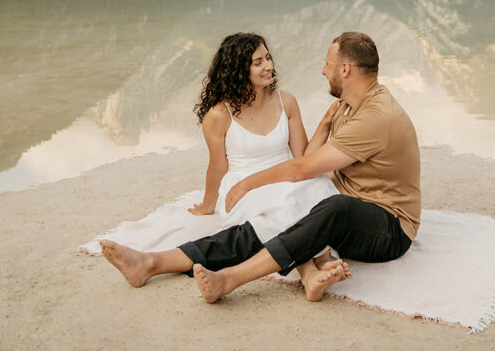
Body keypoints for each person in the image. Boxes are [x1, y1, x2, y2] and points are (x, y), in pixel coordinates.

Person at [100, 31, 421, 304]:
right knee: (294, 212)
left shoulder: (374, 116)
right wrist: (324, 123)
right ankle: (151, 262)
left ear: (346, 69)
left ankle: (230, 279)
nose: (323, 70)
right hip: (353, 210)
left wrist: (249, 183)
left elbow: (301, 167)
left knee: (327, 206)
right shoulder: (347, 105)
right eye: (259, 60)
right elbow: (300, 162)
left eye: (328, 64)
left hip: (389, 230)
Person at [185, 32, 339, 243]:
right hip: (244, 187)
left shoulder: (287, 101)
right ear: (237, 70)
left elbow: (303, 157)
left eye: (268, 58)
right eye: (258, 62)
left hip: (285, 177)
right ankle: (308, 261)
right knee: (283, 210)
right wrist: (207, 205)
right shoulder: (219, 115)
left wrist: (326, 122)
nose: (268, 66)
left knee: (323, 198)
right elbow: (218, 167)